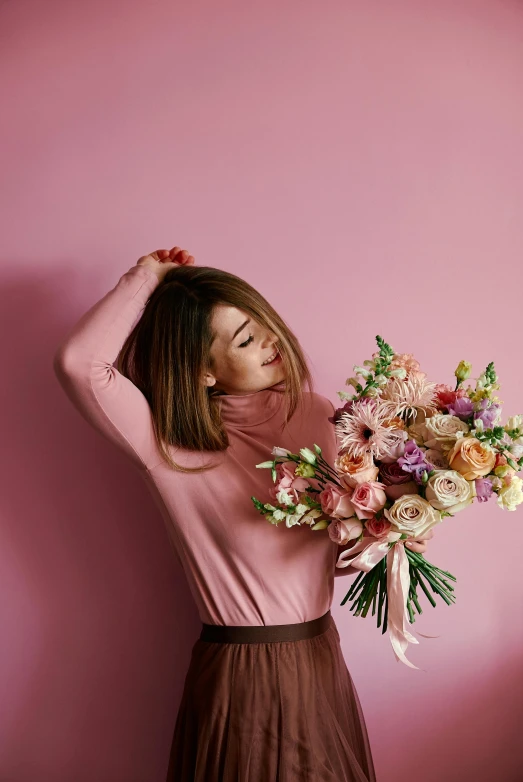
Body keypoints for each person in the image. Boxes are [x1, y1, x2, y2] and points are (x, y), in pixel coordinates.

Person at [53, 246, 431, 782]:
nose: (269, 342)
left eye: (261, 324)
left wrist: (388, 537)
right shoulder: (168, 444)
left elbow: (319, 551)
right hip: (241, 672)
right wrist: (148, 276)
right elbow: (78, 364)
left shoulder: (320, 415)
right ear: (203, 372)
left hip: (320, 656)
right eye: (245, 340)